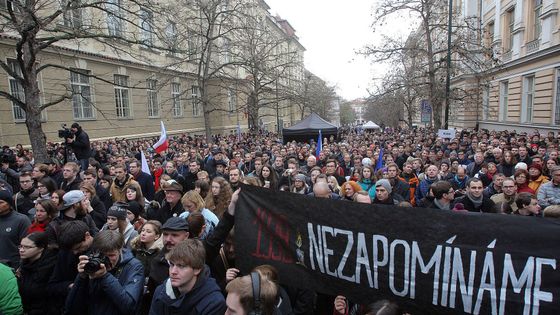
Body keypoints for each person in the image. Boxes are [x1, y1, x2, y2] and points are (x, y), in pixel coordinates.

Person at [65, 230, 144, 315]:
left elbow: (129, 307)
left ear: (120, 249)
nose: (107, 260)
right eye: (102, 255)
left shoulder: (134, 267)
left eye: (111, 255)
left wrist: (105, 276)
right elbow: (71, 308)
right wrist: (81, 277)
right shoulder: (92, 264)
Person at [149, 239, 226, 314]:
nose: (173, 272)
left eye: (181, 266)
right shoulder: (161, 291)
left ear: (197, 269)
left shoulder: (214, 303)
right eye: (172, 264)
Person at [16, 232, 58, 315]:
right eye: (21, 246)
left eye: (27, 247)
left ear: (41, 248)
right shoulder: (24, 264)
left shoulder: (52, 266)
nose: (21, 250)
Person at [0, 189, 31, 268]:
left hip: (12, 266)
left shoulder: (21, 220)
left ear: (10, 204)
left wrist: (21, 267)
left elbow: (27, 246)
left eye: (1, 202)